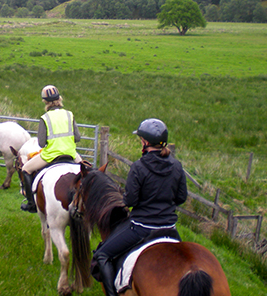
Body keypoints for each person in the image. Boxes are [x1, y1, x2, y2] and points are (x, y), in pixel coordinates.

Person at [93, 118, 187, 296]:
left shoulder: (139, 167)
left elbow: (130, 201)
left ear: (144, 142)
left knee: (102, 255)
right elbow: (181, 197)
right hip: (169, 228)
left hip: (141, 228)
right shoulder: (176, 166)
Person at [20, 85, 82, 213]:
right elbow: (77, 137)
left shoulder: (45, 118)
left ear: (45, 102)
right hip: (71, 153)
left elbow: (42, 143)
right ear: (60, 98)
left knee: (25, 169)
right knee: (89, 171)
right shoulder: (69, 115)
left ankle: (31, 203)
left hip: (51, 155)